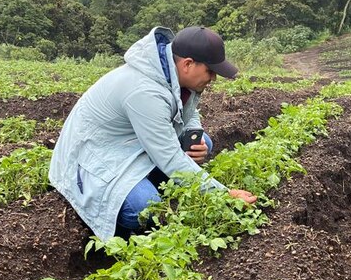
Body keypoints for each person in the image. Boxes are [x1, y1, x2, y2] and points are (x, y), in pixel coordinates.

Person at [49, 25, 256, 239]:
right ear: (187, 64)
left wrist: (193, 133)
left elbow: (189, 111)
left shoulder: (175, 74)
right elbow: (169, 157)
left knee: (202, 142)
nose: (213, 78)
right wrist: (224, 195)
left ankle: (153, 182)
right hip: (94, 159)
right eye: (210, 71)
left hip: (130, 144)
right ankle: (122, 234)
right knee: (145, 206)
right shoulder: (145, 92)